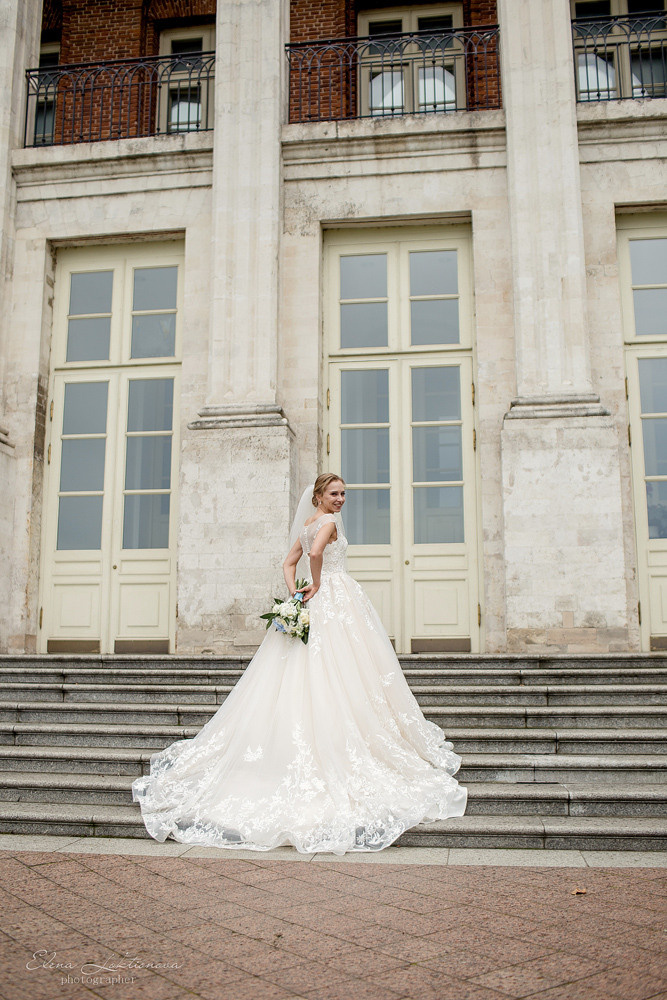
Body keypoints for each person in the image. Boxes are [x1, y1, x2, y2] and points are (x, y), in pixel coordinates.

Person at [132, 473, 467, 854]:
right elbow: (314, 556)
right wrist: (319, 584)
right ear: (319, 497)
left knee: (309, 669)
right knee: (345, 669)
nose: (341, 500)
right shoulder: (326, 523)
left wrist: (296, 594)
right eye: (334, 494)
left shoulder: (309, 523)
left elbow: (288, 562)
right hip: (333, 597)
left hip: (312, 602)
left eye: (344, 494)